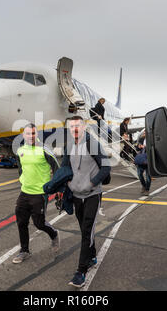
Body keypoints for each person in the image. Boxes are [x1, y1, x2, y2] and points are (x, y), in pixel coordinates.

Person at [61, 115, 110, 288]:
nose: (74, 129)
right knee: (84, 230)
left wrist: (92, 183)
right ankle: (93, 256)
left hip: (92, 194)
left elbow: (106, 167)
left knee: (87, 229)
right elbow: (64, 168)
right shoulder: (68, 147)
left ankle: (81, 271)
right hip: (76, 195)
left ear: (83, 127)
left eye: (77, 126)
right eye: (71, 126)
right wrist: (67, 183)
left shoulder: (93, 144)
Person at [12, 124, 61, 264]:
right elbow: (21, 169)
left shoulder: (44, 149)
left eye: (33, 133)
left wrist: (56, 188)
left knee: (39, 224)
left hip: (40, 193)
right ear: (23, 135)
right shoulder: (20, 150)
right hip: (24, 192)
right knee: (21, 222)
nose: (31, 136)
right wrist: (23, 182)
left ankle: (54, 234)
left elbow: (57, 168)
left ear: (36, 134)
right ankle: (24, 251)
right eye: (28, 133)